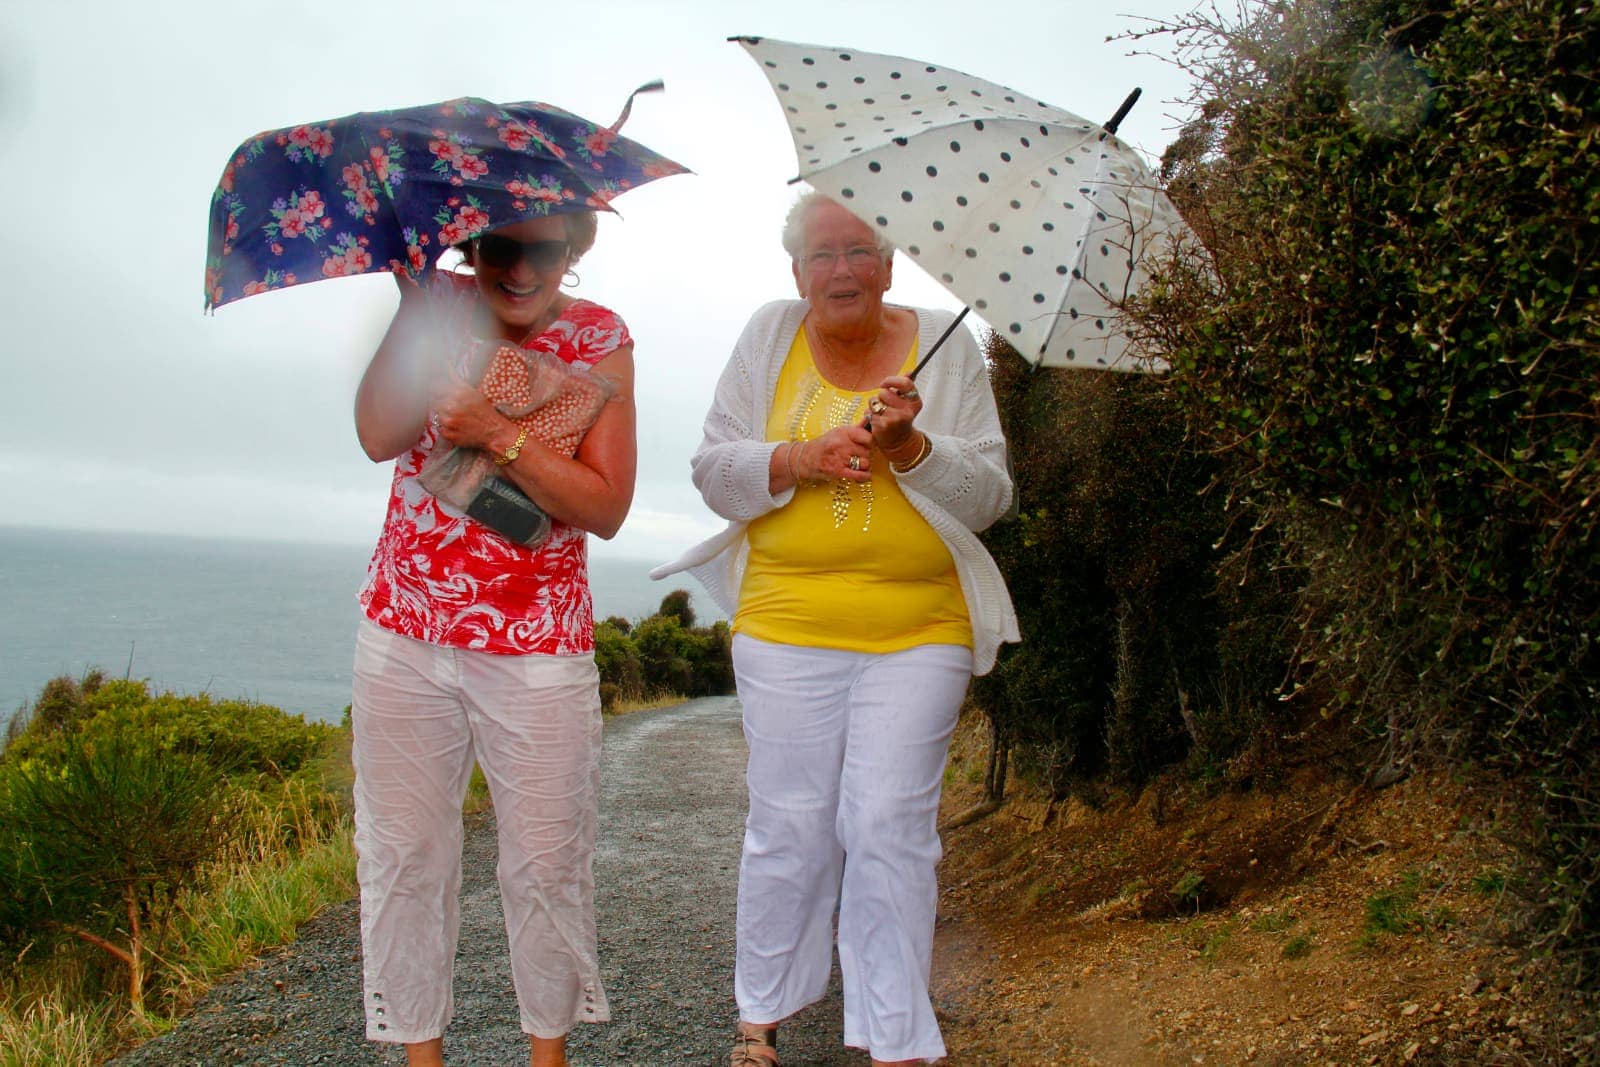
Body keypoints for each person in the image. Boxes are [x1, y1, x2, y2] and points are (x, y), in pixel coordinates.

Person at [653, 192, 1020, 1065]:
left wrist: (914, 450)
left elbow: (993, 497)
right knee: (791, 820)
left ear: (891, 263)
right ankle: (761, 1015)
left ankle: (894, 1034)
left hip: (919, 621)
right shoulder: (770, 334)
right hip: (786, 618)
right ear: (795, 272)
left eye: (860, 251)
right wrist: (797, 459)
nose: (842, 270)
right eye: (822, 255)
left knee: (889, 822)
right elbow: (712, 467)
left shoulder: (948, 343)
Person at [350, 209, 635, 1067]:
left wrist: (496, 431)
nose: (518, 269)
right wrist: (417, 316)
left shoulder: (599, 337)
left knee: (545, 867)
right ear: (467, 246)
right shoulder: (433, 301)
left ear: (576, 248)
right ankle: (420, 1057)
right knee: (404, 858)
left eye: (543, 249)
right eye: (497, 247)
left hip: (538, 645)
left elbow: (605, 505)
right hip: (403, 628)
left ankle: (548, 1057)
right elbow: (377, 436)